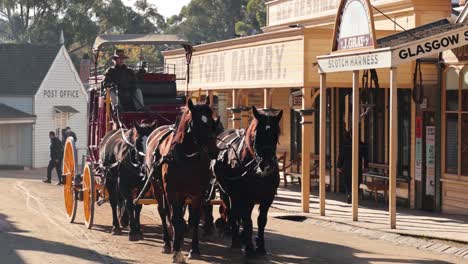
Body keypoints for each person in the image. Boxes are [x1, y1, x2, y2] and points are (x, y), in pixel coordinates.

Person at [336, 129, 368, 204]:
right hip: (357, 166)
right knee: (357, 181)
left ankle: (349, 193)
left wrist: (338, 166)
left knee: (347, 181)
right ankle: (354, 194)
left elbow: (341, 156)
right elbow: (366, 156)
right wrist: (366, 166)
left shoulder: (345, 144)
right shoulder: (361, 144)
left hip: (346, 166)